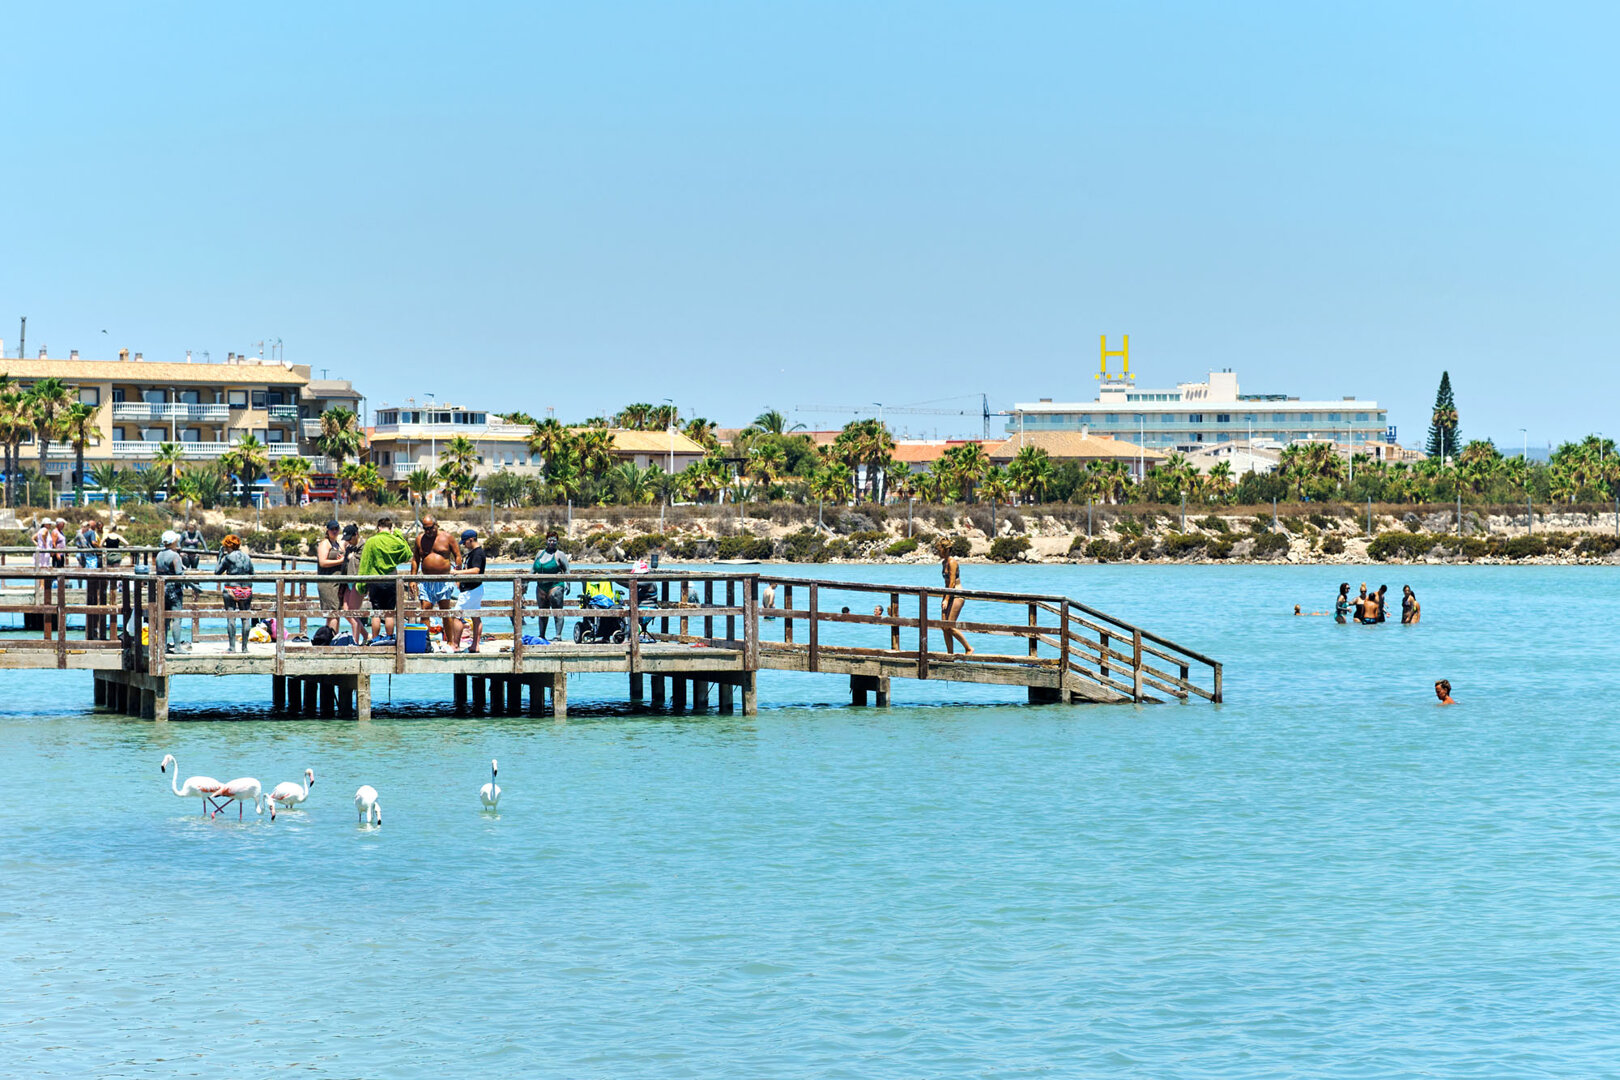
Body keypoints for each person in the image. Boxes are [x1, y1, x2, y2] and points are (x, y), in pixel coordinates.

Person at [359, 515, 414, 640]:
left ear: (378, 527)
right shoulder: (395, 541)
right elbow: (408, 553)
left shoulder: (371, 541)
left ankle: (375, 639)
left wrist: (361, 583)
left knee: (376, 612)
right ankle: (389, 638)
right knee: (389, 612)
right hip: (391, 580)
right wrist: (398, 535)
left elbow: (365, 563)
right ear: (390, 528)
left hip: (375, 580)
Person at [415, 515, 462, 636]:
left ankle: (450, 641)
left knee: (445, 611)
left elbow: (457, 556)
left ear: (436, 525)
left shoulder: (447, 537)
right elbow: (415, 559)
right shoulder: (420, 539)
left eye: (430, 528)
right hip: (426, 580)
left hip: (443, 580)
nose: (428, 531)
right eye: (425, 529)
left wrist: (458, 574)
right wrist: (412, 579)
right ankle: (425, 641)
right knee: (425, 610)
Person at [155, 530, 194, 653]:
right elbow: (179, 574)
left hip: (162, 589)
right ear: (173, 542)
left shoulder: (159, 555)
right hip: (174, 590)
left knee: (164, 619)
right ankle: (177, 647)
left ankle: (163, 646)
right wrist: (193, 585)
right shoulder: (174, 555)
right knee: (177, 618)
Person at [215, 534, 256, 653]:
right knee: (246, 618)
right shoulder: (247, 557)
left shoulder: (228, 558)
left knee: (231, 618)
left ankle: (232, 647)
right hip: (246, 590)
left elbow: (217, 572)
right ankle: (244, 648)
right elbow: (252, 573)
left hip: (231, 590)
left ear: (228, 546)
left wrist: (219, 557)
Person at [449, 528, 486, 652]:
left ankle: (455, 645)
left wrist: (457, 573)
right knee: (476, 616)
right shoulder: (473, 553)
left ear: (471, 540)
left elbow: (476, 570)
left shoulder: (477, 553)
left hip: (471, 590)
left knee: (457, 616)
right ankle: (475, 645)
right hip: (475, 588)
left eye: (465, 542)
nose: (464, 545)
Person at [531, 531, 570, 640]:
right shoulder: (540, 553)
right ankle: (542, 635)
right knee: (542, 611)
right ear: (546, 541)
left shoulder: (560, 554)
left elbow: (567, 570)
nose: (552, 543)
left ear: (557, 542)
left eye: (554, 541)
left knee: (557, 611)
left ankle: (558, 635)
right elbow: (533, 569)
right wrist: (525, 582)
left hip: (555, 585)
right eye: (550, 540)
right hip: (541, 587)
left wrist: (568, 583)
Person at [936, 540, 973, 654]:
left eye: (939, 550)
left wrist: (947, 600)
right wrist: (944, 598)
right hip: (947, 593)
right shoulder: (944, 563)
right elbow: (946, 584)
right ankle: (950, 654)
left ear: (946, 550)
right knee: (944, 626)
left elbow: (952, 583)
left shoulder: (952, 562)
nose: (938, 553)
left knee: (950, 626)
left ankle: (968, 648)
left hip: (956, 593)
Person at [75, 518, 106, 640]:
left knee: (89, 572)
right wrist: (100, 547)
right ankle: (92, 583)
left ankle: (89, 584)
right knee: (93, 572)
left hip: (85, 556)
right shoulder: (91, 533)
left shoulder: (82, 534)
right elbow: (93, 542)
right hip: (91, 555)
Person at [315, 520, 347, 636]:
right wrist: (340, 561)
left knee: (335, 612)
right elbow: (322, 562)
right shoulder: (325, 544)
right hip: (327, 583)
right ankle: (331, 638)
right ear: (327, 531)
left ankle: (331, 638)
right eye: (332, 529)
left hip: (338, 583)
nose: (334, 531)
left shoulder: (337, 544)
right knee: (333, 612)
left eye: (336, 529)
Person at [339, 523, 368, 642]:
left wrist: (353, 557)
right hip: (348, 582)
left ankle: (355, 642)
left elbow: (363, 563)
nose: (348, 541)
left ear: (356, 535)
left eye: (350, 538)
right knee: (346, 611)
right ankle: (366, 635)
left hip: (358, 582)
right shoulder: (349, 547)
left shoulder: (364, 546)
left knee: (353, 612)